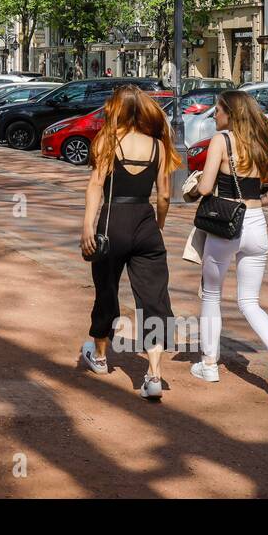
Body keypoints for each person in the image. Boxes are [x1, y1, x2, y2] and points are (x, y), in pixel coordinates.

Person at [189, 89, 268, 398]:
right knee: (249, 301)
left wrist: (193, 187)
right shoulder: (262, 143)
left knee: (211, 294)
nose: (214, 116)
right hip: (256, 224)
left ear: (230, 113)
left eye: (218, 111)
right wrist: (254, 202)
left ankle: (209, 363)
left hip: (225, 224)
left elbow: (207, 186)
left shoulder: (221, 141)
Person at [79, 85, 180, 400]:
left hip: (112, 222)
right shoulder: (157, 146)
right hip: (145, 223)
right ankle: (153, 375)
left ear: (117, 111)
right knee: (154, 299)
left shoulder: (109, 140)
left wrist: (87, 226)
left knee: (106, 291)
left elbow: (96, 185)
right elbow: (164, 195)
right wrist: (158, 223)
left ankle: (99, 356)